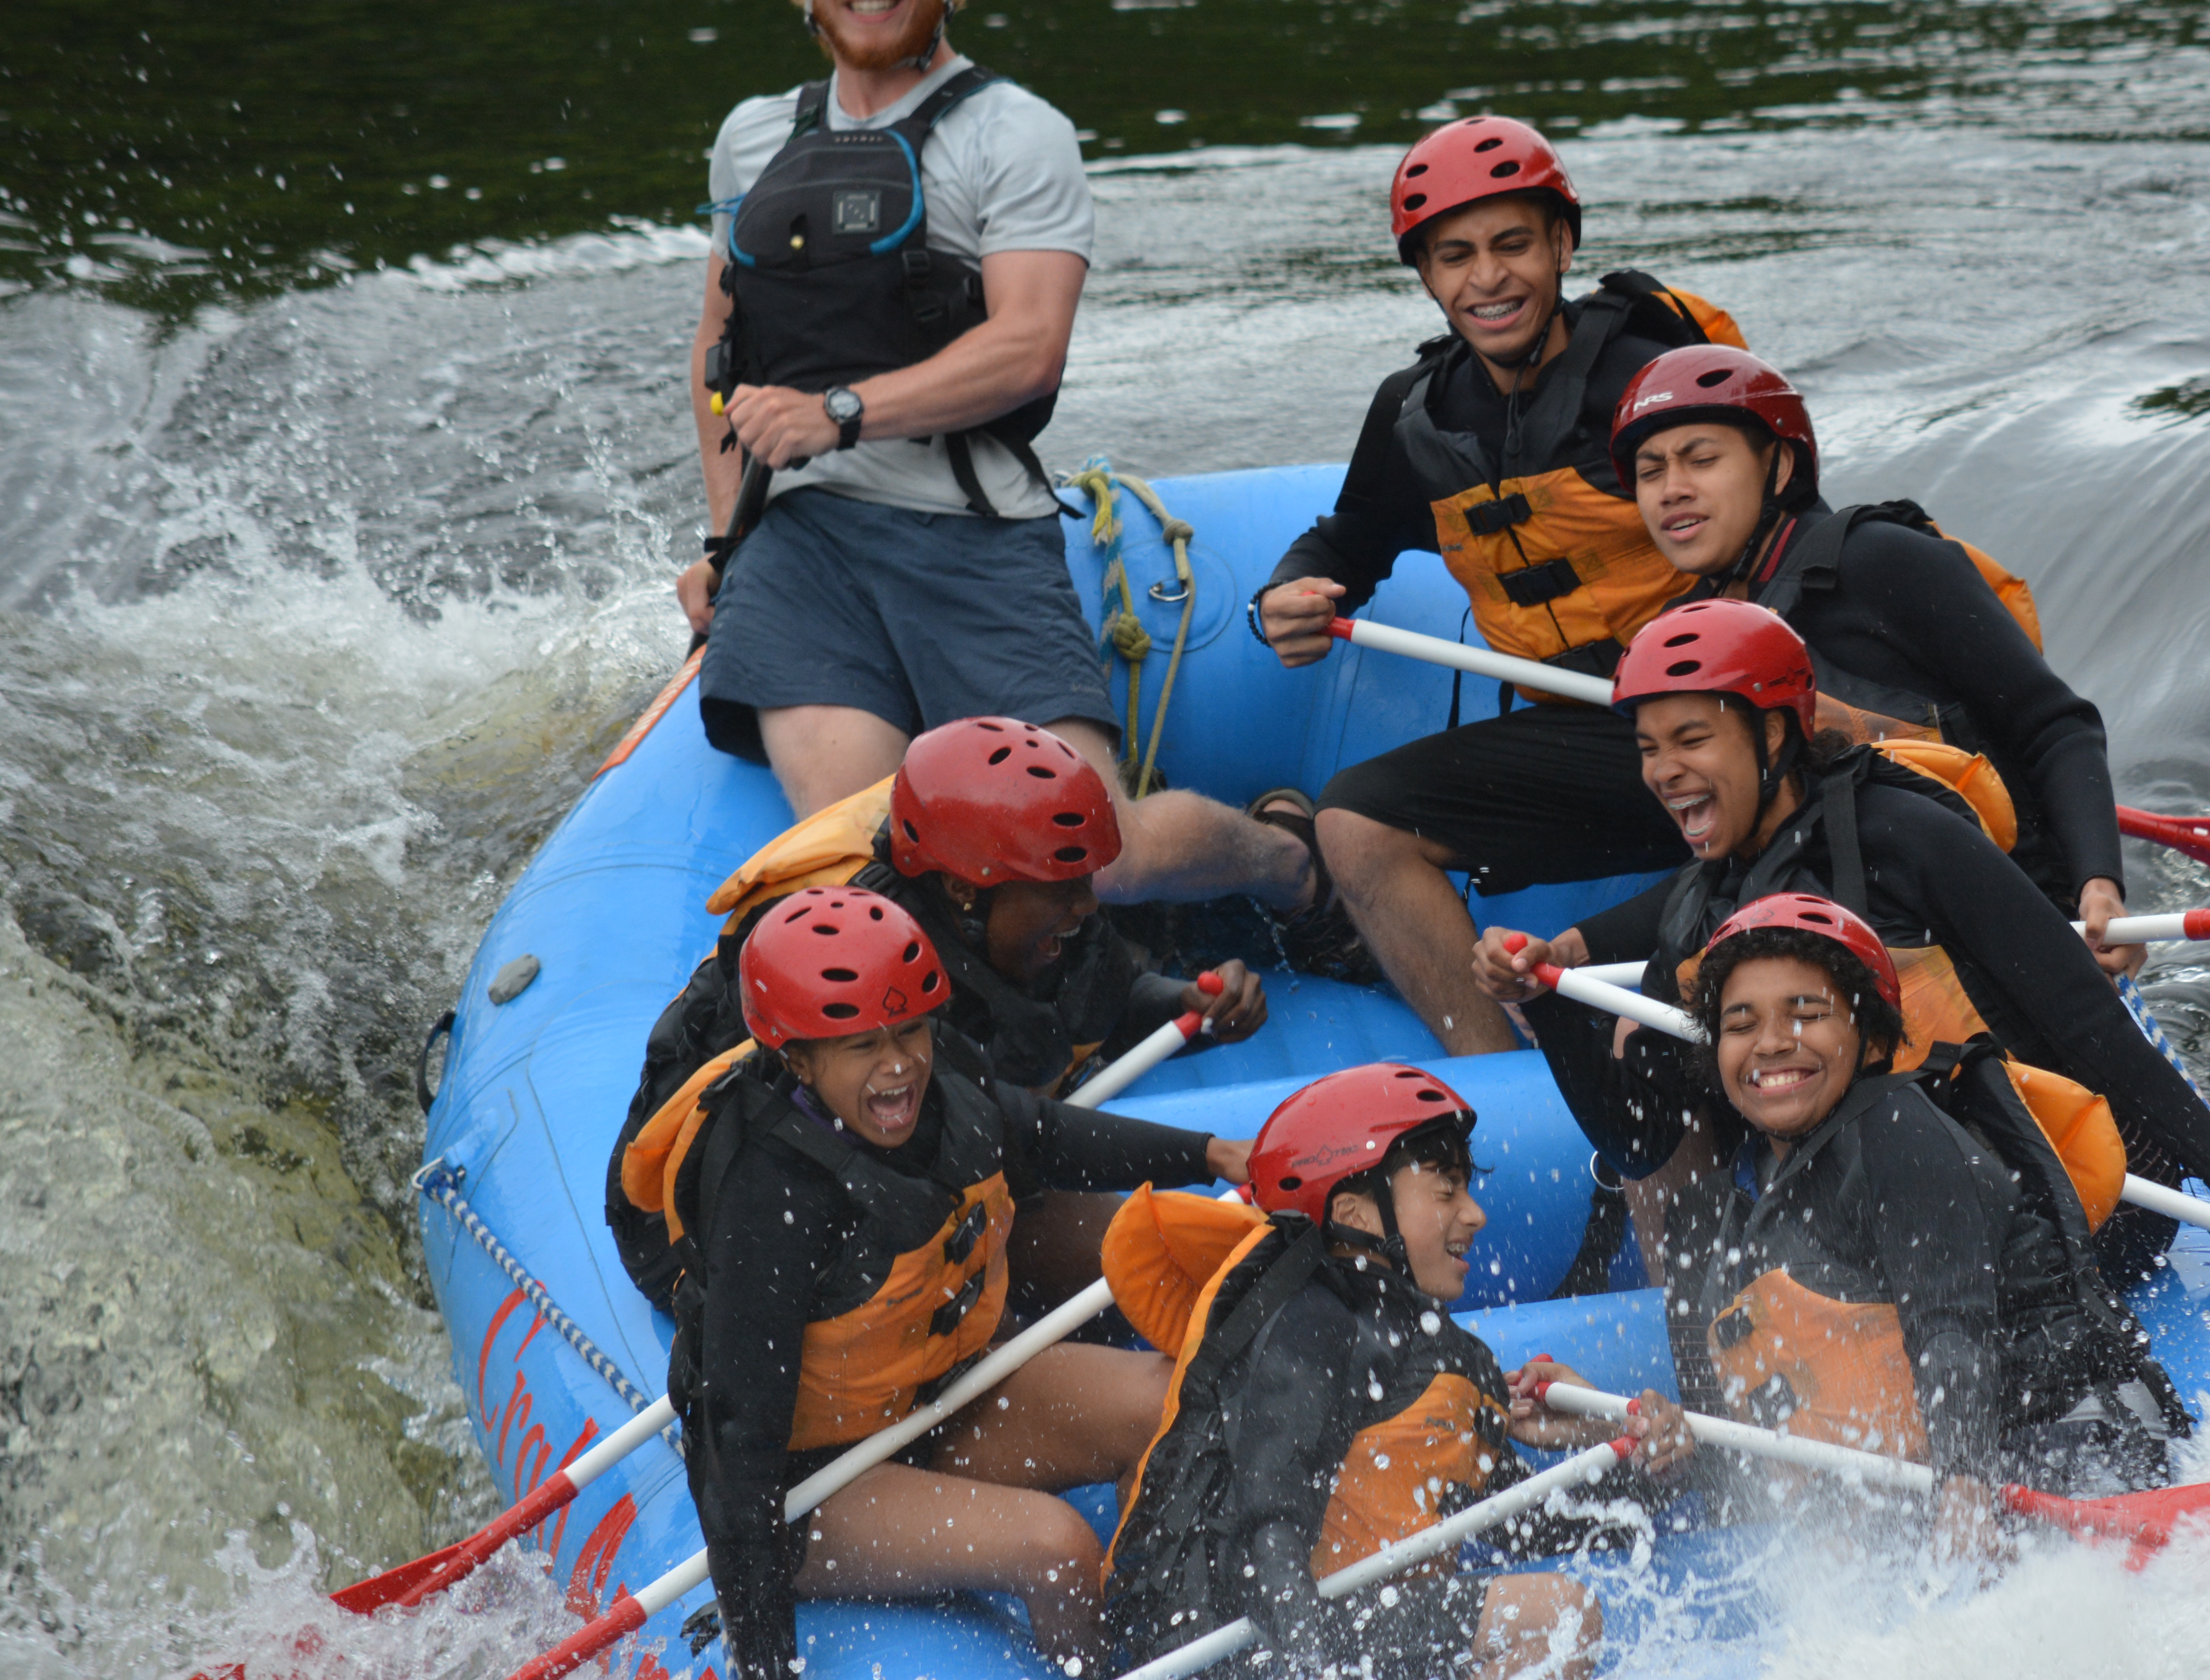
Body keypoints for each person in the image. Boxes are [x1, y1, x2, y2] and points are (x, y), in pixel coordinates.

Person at [673, 0, 1308, 912]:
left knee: (1086, 855)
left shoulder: (1015, 132)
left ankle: (1286, 863)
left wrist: (843, 409)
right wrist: (727, 544)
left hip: (970, 539)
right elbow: (720, 352)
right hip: (802, 555)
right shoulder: (752, 137)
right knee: (876, 863)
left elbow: (1026, 346)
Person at [1473, 599, 2210, 1280]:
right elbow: (1641, 1141)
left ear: (1774, 734)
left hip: (2057, 1200)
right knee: (1644, 1039)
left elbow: (2083, 1015)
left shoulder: (1906, 835)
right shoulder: (1701, 907)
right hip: (1881, 1227)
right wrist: (1546, 1009)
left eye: (1693, 740)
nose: (1663, 771)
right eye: (1650, 748)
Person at [619, 886, 1253, 1675]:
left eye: (910, 1030)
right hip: (817, 1490)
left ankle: (1187, 1640)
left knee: (1176, 1406)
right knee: (1055, 1546)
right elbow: (741, 1448)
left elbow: (1042, 1134)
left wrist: (1208, 1156)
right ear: (799, 1060)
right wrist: (764, 1659)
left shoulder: (942, 1078)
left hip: (942, 1400)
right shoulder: (768, 1194)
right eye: (860, 1047)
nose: (898, 1066)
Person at [1252, 117, 1740, 1051]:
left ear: (1563, 244)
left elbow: (1783, 534)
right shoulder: (1416, 414)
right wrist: (1293, 588)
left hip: (1719, 721)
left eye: (1514, 244)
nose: (1488, 279)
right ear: (1426, 275)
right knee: (1353, 822)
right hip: (1582, 739)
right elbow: (1352, 538)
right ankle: (1501, 1076)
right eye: (1456, 256)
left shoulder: (1652, 382)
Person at [1556, 893, 2188, 1540]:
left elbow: (1950, 1325)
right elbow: (1737, 1470)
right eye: (1741, 1025)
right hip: (1933, 1476)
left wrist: (1965, 1485)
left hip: (2070, 1429)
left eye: (1807, 1013)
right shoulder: (1707, 1223)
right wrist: (1645, 1435)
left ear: (1875, 1037)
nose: (1772, 1043)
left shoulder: (1898, 1128)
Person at [605, 717, 1267, 1314]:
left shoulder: (1025, 910)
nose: (1086, 906)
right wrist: (1205, 1156)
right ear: (961, 889)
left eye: (1086, 881)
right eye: (1061, 888)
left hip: (921, 1142)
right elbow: (1018, 1133)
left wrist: (1185, 1009)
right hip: (735, 1239)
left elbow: (1089, 1012)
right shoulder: (874, 989)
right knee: (1118, 1252)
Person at [1099, 1064, 1690, 1680]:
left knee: (1564, 1617)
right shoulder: (1309, 1320)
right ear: (1355, 1209)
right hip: (1249, 1642)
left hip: (1336, 1630)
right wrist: (1312, 1668)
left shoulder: (1438, 1358)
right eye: (1446, 1191)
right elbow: (1266, 1524)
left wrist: (1634, 1456)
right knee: (1559, 1613)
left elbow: (1536, 1527)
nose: (1476, 1214)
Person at [1607, 342, 2144, 975]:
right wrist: (1577, 948)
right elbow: (1733, 856)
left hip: (2004, 926)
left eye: (1701, 459)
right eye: (1650, 472)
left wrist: (2100, 887)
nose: (1673, 489)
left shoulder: (1884, 561)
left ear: (1778, 467)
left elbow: (2055, 726)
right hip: (1852, 952)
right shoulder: (1690, 637)